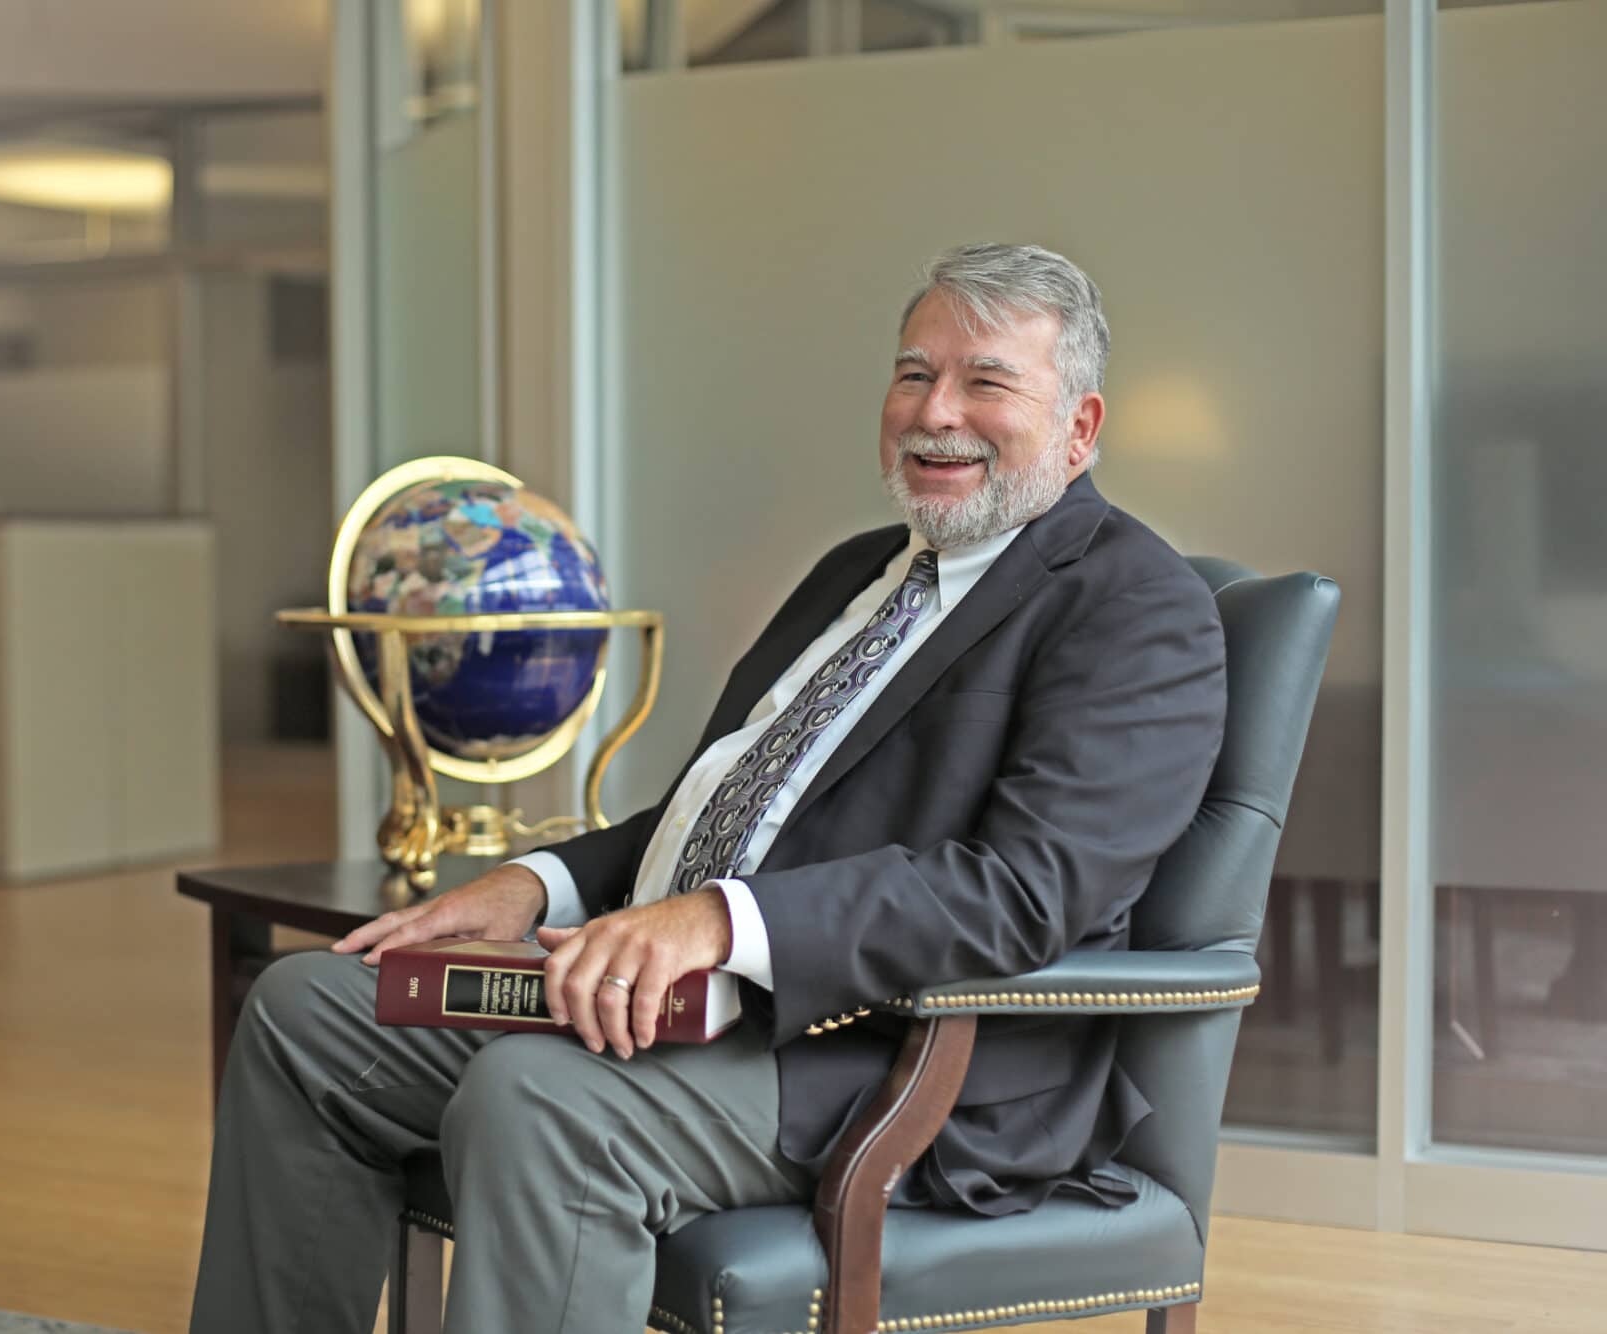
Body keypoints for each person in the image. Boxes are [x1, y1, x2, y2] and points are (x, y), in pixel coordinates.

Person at [188, 242, 1228, 1334]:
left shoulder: (1132, 608)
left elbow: (1024, 889)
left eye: (985, 381)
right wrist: (536, 885)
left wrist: (717, 922)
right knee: (302, 1012)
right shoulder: (854, 571)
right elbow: (719, 811)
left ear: (1079, 426)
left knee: (539, 1099)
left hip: (890, 1056)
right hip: (690, 1003)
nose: (936, 410)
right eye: (913, 372)